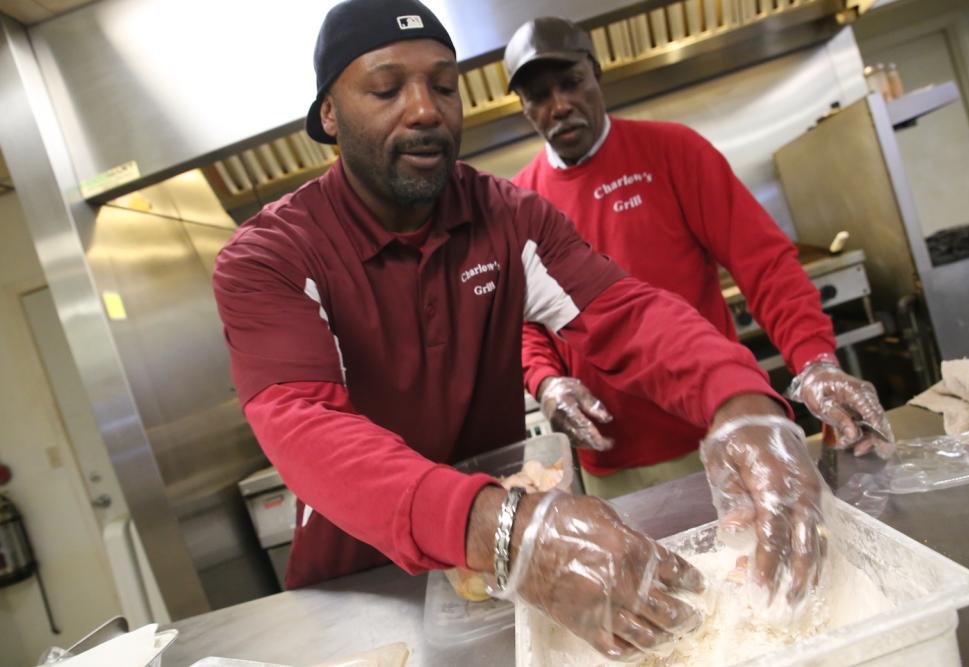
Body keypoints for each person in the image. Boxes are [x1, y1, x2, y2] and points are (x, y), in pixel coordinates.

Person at [213, 0, 827, 659]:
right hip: (367, 583)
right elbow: (306, 425)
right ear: (329, 113)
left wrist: (744, 407)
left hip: (500, 579)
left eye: (444, 86)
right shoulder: (273, 257)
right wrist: (504, 528)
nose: (425, 110)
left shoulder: (507, 218)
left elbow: (625, 315)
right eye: (388, 88)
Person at [504, 16, 895, 499]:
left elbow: (765, 264)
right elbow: (525, 323)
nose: (560, 105)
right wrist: (546, 383)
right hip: (611, 461)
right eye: (539, 96)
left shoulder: (672, 152)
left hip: (721, 432)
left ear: (596, 75)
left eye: (571, 83)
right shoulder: (521, 203)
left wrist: (814, 359)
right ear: (523, 107)